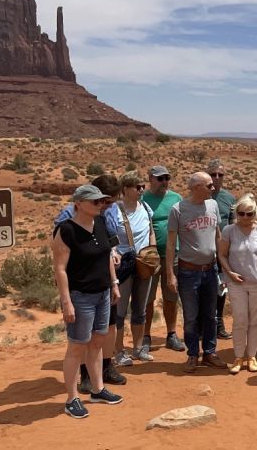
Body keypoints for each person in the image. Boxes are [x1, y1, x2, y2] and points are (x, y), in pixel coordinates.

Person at [49, 183, 123, 417]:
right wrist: (66, 301)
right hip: (80, 296)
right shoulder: (66, 230)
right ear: (79, 204)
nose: (101, 205)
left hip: (103, 293)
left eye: (102, 201)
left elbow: (108, 257)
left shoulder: (100, 223)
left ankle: (98, 388)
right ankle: (72, 398)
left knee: (98, 342)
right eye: (95, 202)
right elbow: (60, 269)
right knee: (77, 347)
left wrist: (114, 283)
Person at [167, 171, 225, 371]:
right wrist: (170, 274)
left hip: (210, 269)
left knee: (211, 314)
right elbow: (170, 243)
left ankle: (210, 353)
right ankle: (193, 355)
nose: (213, 188)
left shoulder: (213, 205)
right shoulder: (178, 210)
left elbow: (217, 235)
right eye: (209, 185)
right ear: (196, 188)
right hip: (188, 271)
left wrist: (222, 267)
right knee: (191, 316)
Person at [218, 193, 257, 372]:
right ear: (236, 213)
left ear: (255, 213)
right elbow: (221, 254)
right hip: (236, 283)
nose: (245, 218)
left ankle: (252, 357)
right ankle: (238, 357)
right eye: (241, 213)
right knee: (239, 320)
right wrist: (229, 272)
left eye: (250, 214)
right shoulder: (229, 230)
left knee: (255, 321)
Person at [105, 172, 156, 373]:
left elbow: (150, 230)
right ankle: (118, 351)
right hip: (124, 266)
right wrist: (115, 253)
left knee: (140, 308)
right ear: (125, 189)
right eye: (137, 187)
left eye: (142, 186)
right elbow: (110, 237)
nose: (141, 190)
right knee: (120, 311)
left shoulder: (145, 207)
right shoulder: (115, 211)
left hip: (144, 263)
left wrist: (152, 252)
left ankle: (137, 348)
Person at [140, 165, 186, 352]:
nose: (164, 182)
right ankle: (145, 336)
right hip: (150, 256)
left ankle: (171, 334)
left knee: (171, 296)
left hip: (173, 255)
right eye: (160, 178)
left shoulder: (176, 198)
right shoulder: (142, 199)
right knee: (147, 298)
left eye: (167, 178)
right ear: (150, 179)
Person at [208, 158, 236, 338]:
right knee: (204, 288)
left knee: (221, 288)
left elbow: (233, 223)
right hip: (203, 249)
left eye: (220, 174)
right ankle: (204, 325)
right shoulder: (201, 196)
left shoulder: (229, 198)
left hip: (223, 251)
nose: (217, 178)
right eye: (213, 174)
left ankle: (219, 324)